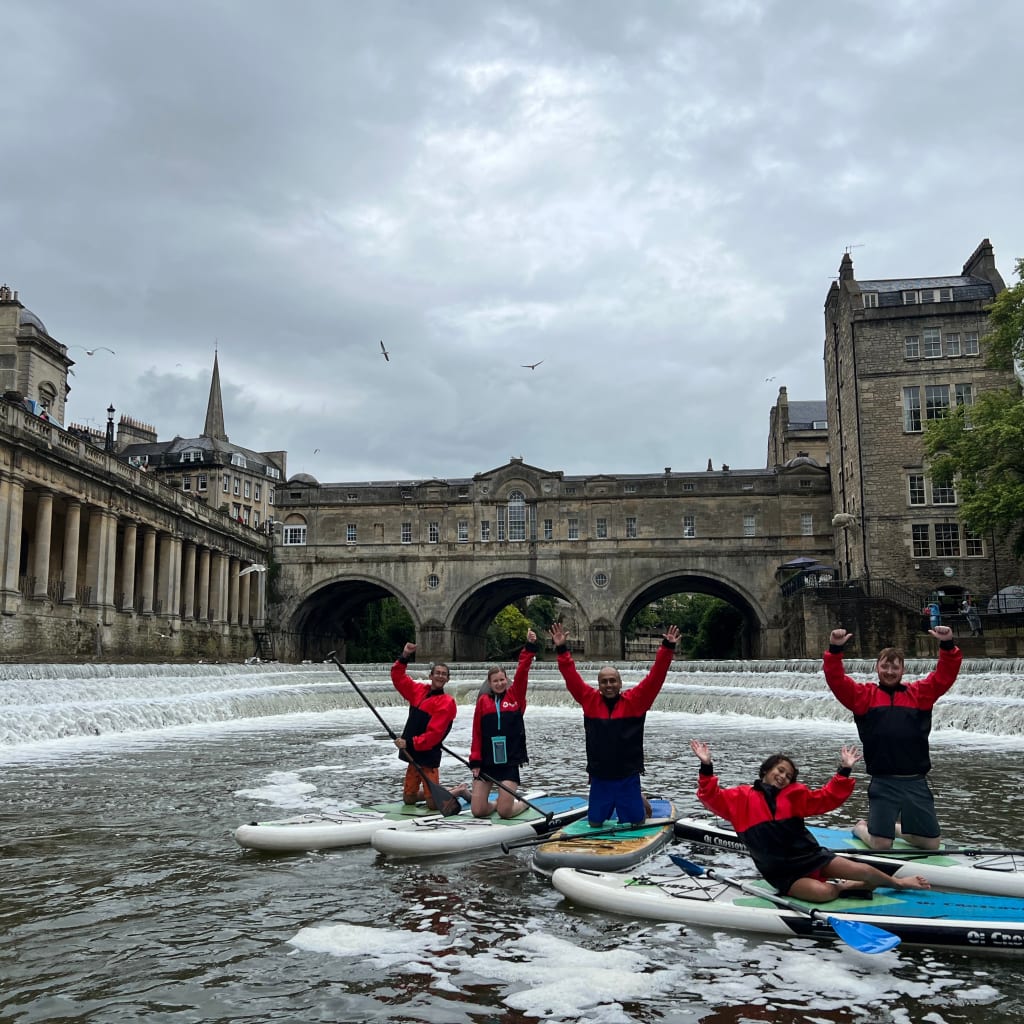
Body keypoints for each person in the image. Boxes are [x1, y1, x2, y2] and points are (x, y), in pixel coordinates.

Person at [689, 740, 930, 902]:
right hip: (781, 872)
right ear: (765, 771)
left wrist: (844, 770)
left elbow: (826, 798)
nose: (783, 777)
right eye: (780, 770)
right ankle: (845, 887)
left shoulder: (796, 796)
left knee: (864, 870)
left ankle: (898, 883)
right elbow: (711, 797)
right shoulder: (739, 798)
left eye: (788, 775)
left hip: (811, 856)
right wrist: (706, 765)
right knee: (824, 893)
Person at [823, 626, 962, 851]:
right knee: (881, 845)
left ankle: (897, 829)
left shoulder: (920, 694)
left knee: (931, 844)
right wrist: (835, 649)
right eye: (885, 666)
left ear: (902, 670)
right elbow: (836, 680)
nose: (889, 671)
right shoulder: (863, 696)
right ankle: (861, 828)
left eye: (894, 667)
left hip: (915, 781)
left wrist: (947, 644)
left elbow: (945, 675)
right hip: (884, 781)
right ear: (877, 668)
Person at [550, 621, 680, 827]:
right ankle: (631, 799)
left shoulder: (636, 701)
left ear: (620, 683)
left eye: (613, 681)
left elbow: (656, 677)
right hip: (600, 776)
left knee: (636, 823)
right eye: (604, 681)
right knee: (595, 823)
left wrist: (667, 648)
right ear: (599, 685)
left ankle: (639, 798)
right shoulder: (589, 700)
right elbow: (570, 676)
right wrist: (561, 648)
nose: (609, 685)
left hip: (627, 775)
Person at [468, 628, 539, 818]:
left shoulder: (516, 696)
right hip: (487, 761)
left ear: (506, 680)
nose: (499, 684)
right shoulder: (483, 702)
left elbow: (522, 670)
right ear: (489, 684)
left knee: (505, 813)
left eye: (502, 680)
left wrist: (529, 647)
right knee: (478, 811)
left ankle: (521, 804)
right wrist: (475, 760)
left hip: (509, 762)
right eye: (495, 681)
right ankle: (497, 802)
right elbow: (476, 733)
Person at [391, 642, 469, 808]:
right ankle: (452, 790)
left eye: (444, 674)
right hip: (413, 754)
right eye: (437, 673)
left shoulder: (447, 703)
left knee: (433, 803)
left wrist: (408, 742)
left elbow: (434, 735)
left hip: (428, 754)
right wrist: (404, 656)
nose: (440, 676)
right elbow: (398, 678)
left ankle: (459, 791)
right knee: (409, 799)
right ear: (430, 676)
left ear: (448, 679)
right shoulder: (418, 691)